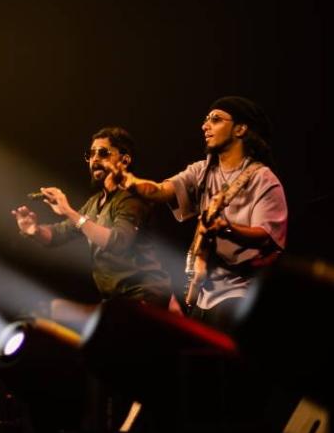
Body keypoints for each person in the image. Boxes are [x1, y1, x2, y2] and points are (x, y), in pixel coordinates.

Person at [118, 96, 287, 330]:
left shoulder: (262, 178)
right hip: (202, 295)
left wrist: (225, 228)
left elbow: (266, 235)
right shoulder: (201, 170)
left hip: (239, 293)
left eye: (215, 119)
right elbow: (159, 190)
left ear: (240, 128)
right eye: (206, 119)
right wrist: (131, 182)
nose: (204, 125)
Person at [12, 126, 173, 321]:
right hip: (118, 301)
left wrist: (68, 211)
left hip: (145, 297)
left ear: (125, 159)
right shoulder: (94, 203)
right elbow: (56, 235)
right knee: (52, 311)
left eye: (103, 153)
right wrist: (34, 230)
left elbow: (117, 242)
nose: (95, 159)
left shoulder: (132, 198)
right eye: (91, 154)